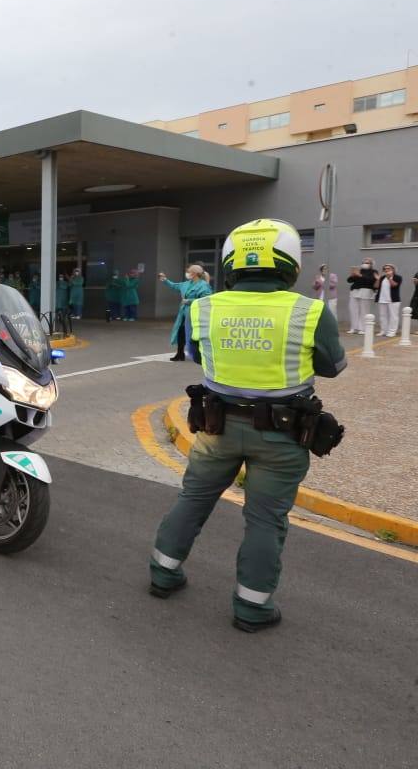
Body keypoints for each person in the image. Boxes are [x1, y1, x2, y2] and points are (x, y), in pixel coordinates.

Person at [148, 218, 346, 633]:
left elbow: (201, 358)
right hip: (281, 434)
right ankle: (251, 607)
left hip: (215, 427)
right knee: (265, 519)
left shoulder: (204, 307)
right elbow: (332, 366)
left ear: (230, 263)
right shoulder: (310, 311)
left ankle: (163, 573)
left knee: (193, 499)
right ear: (290, 262)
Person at [160, 264, 213, 361]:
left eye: (189, 271)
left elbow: (206, 300)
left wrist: (189, 301)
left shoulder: (204, 285)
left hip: (195, 314)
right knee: (181, 333)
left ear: (195, 274)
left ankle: (199, 355)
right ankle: (180, 354)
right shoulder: (187, 283)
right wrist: (165, 279)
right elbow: (175, 286)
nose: (187, 273)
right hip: (184, 313)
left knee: (195, 335)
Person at [347, 257, 378, 335]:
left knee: (364, 310)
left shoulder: (374, 271)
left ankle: (362, 328)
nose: (365, 264)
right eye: (363, 262)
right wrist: (352, 275)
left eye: (367, 263)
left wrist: (360, 275)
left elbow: (371, 280)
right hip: (355, 291)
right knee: (353, 310)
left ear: (371, 264)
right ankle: (354, 328)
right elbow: (349, 280)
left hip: (366, 292)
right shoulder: (359, 271)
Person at [376, 264, 402, 337]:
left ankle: (392, 331)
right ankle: (384, 331)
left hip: (393, 300)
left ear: (393, 269)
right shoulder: (382, 278)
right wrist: (378, 279)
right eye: (385, 269)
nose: (386, 270)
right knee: (383, 316)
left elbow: (394, 285)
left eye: (388, 268)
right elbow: (376, 286)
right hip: (382, 299)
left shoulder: (398, 277)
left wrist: (390, 278)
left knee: (393, 316)